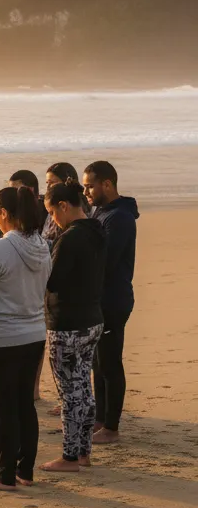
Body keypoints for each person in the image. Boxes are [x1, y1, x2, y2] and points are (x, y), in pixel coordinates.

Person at [0, 187, 51, 491]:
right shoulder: (42, 245)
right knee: (24, 405)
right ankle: (24, 471)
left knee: (4, 410)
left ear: (4, 213)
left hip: (1, 336)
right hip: (33, 333)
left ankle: (5, 475)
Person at [41, 181, 106, 473]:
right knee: (83, 387)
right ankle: (82, 452)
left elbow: (53, 280)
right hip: (92, 319)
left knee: (70, 392)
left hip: (67, 323)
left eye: (52, 212)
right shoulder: (97, 230)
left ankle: (69, 456)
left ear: (64, 206)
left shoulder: (70, 238)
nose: (52, 219)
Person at [83, 160, 139, 445]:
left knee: (110, 363)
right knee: (97, 362)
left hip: (114, 300)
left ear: (107, 184)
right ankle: (100, 419)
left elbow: (105, 260)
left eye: (90, 186)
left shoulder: (120, 217)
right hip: (99, 300)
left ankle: (112, 427)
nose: (86, 192)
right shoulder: (101, 211)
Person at [0, 171, 46, 243]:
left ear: (30, 190)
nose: (11, 193)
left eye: (15, 190)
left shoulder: (46, 210)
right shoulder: (10, 206)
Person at [42, 162, 84, 246]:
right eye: (47, 183)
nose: (48, 187)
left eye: (52, 183)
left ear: (66, 182)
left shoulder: (77, 208)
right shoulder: (53, 204)